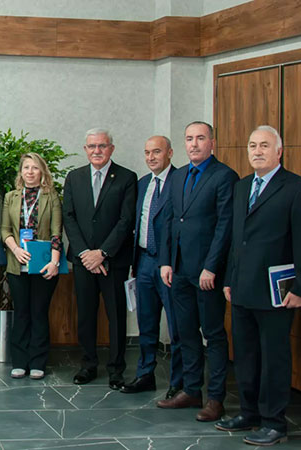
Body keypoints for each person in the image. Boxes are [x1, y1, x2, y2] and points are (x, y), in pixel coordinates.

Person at [217, 126, 301, 446]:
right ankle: (249, 413)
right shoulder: (242, 186)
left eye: (264, 145)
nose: (257, 151)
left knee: (274, 357)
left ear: (279, 151)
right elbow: (238, 239)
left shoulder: (299, 189)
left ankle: (275, 422)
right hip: (243, 287)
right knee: (245, 355)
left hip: (278, 292)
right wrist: (230, 279)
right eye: (252, 145)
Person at [156, 121, 238, 423]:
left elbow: (225, 227)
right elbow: (168, 220)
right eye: (189, 138)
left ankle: (215, 398)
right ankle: (191, 390)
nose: (194, 144)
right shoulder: (177, 177)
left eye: (200, 138)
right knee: (185, 332)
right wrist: (166, 261)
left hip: (206, 274)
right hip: (177, 270)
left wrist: (210, 266)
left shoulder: (224, 176)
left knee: (213, 335)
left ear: (212, 143)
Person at [62, 128, 137, 389]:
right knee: (85, 314)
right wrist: (85, 253)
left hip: (113, 261)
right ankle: (88, 365)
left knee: (116, 317)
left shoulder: (127, 178)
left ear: (111, 149)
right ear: (85, 149)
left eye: (102, 146)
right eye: (92, 146)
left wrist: (102, 253)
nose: (97, 151)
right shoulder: (74, 177)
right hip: (84, 261)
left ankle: (116, 369)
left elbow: (126, 220)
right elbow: (68, 217)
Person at [120, 136, 182, 396]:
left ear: (169, 152)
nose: (151, 157)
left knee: (178, 326)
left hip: (170, 264)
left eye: (156, 152)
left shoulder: (181, 181)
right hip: (144, 260)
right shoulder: (143, 183)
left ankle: (179, 384)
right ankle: (145, 374)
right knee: (147, 323)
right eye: (147, 152)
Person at [0, 152, 62, 381]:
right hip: (17, 264)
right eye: (26, 168)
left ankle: (38, 362)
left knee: (39, 313)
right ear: (21, 172)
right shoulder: (11, 197)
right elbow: (4, 229)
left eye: (35, 168)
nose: (30, 172)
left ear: (42, 172)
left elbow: (56, 232)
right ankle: (20, 362)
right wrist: (15, 249)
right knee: (22, 313)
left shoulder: (51, 196)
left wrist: (54, 262)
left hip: (44, 265)